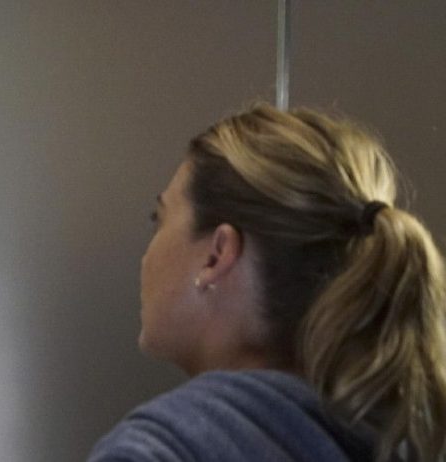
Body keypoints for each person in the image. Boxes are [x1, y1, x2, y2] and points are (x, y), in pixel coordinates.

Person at [89, 105, 446, 461]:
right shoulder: (397, 444)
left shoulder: (160, 451)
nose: (146, 255)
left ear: (216, 255)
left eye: (159, 218)